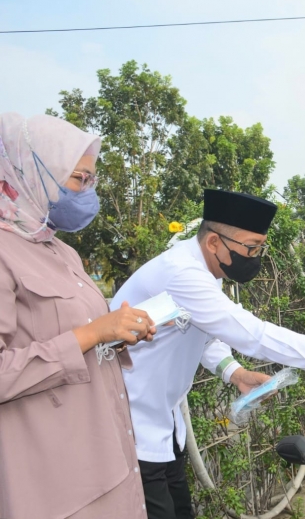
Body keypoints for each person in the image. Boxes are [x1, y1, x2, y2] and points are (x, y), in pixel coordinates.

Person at [111, 189, 305, 519]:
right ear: (214, 242)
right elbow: (255, 336)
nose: (255, 256)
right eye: (250, 248)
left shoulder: (204, 273)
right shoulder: (183, 273)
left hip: (163, 426)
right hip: (132, 422)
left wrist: (235, 374)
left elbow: (204, 336)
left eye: (260, 248)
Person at [0, 113, 156, 518]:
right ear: (30, 172)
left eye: (91, 180)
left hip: (110, 456)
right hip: (55, 483)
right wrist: (90, 334)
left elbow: (79, 336)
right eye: (77, 179)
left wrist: (117, 333)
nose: (87, 192)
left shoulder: (59, 249)